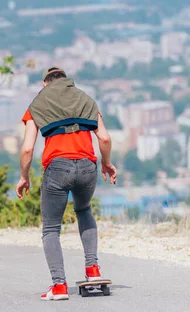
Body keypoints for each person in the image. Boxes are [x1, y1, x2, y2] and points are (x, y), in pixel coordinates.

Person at [16, 67, 117, 301]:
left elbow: (28, 148)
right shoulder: (85, 98)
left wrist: (24, 177)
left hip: (57, 169)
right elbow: (104, 137)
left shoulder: (37, 104)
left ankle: (59, 286)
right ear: (67, 81)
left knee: (51, 228)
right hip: (87, 167)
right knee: (84, 210)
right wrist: (107, 163)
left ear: (44, 84)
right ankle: (93, 270)